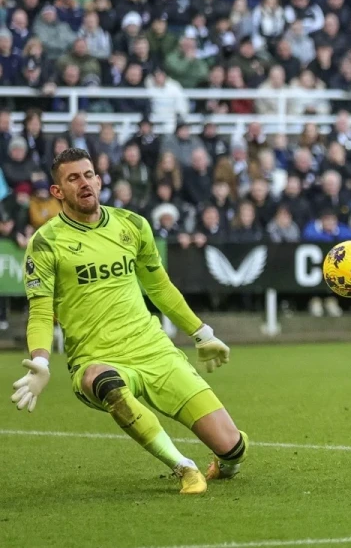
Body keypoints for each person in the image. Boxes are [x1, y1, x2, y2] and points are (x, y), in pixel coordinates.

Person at [9, 148, 248, 494]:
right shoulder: (45, 242)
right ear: (57, 191)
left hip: (154, 350)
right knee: (104, 382)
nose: (84, 183)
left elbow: (160, 287)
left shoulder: (133, 225)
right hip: (96, 358)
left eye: (88, 175)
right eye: (73, 178)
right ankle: (183, 466)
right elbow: (42, 311)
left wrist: (201, 333)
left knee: (233, 448)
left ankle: (226, 460)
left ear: (99, 180)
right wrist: (41, 362)